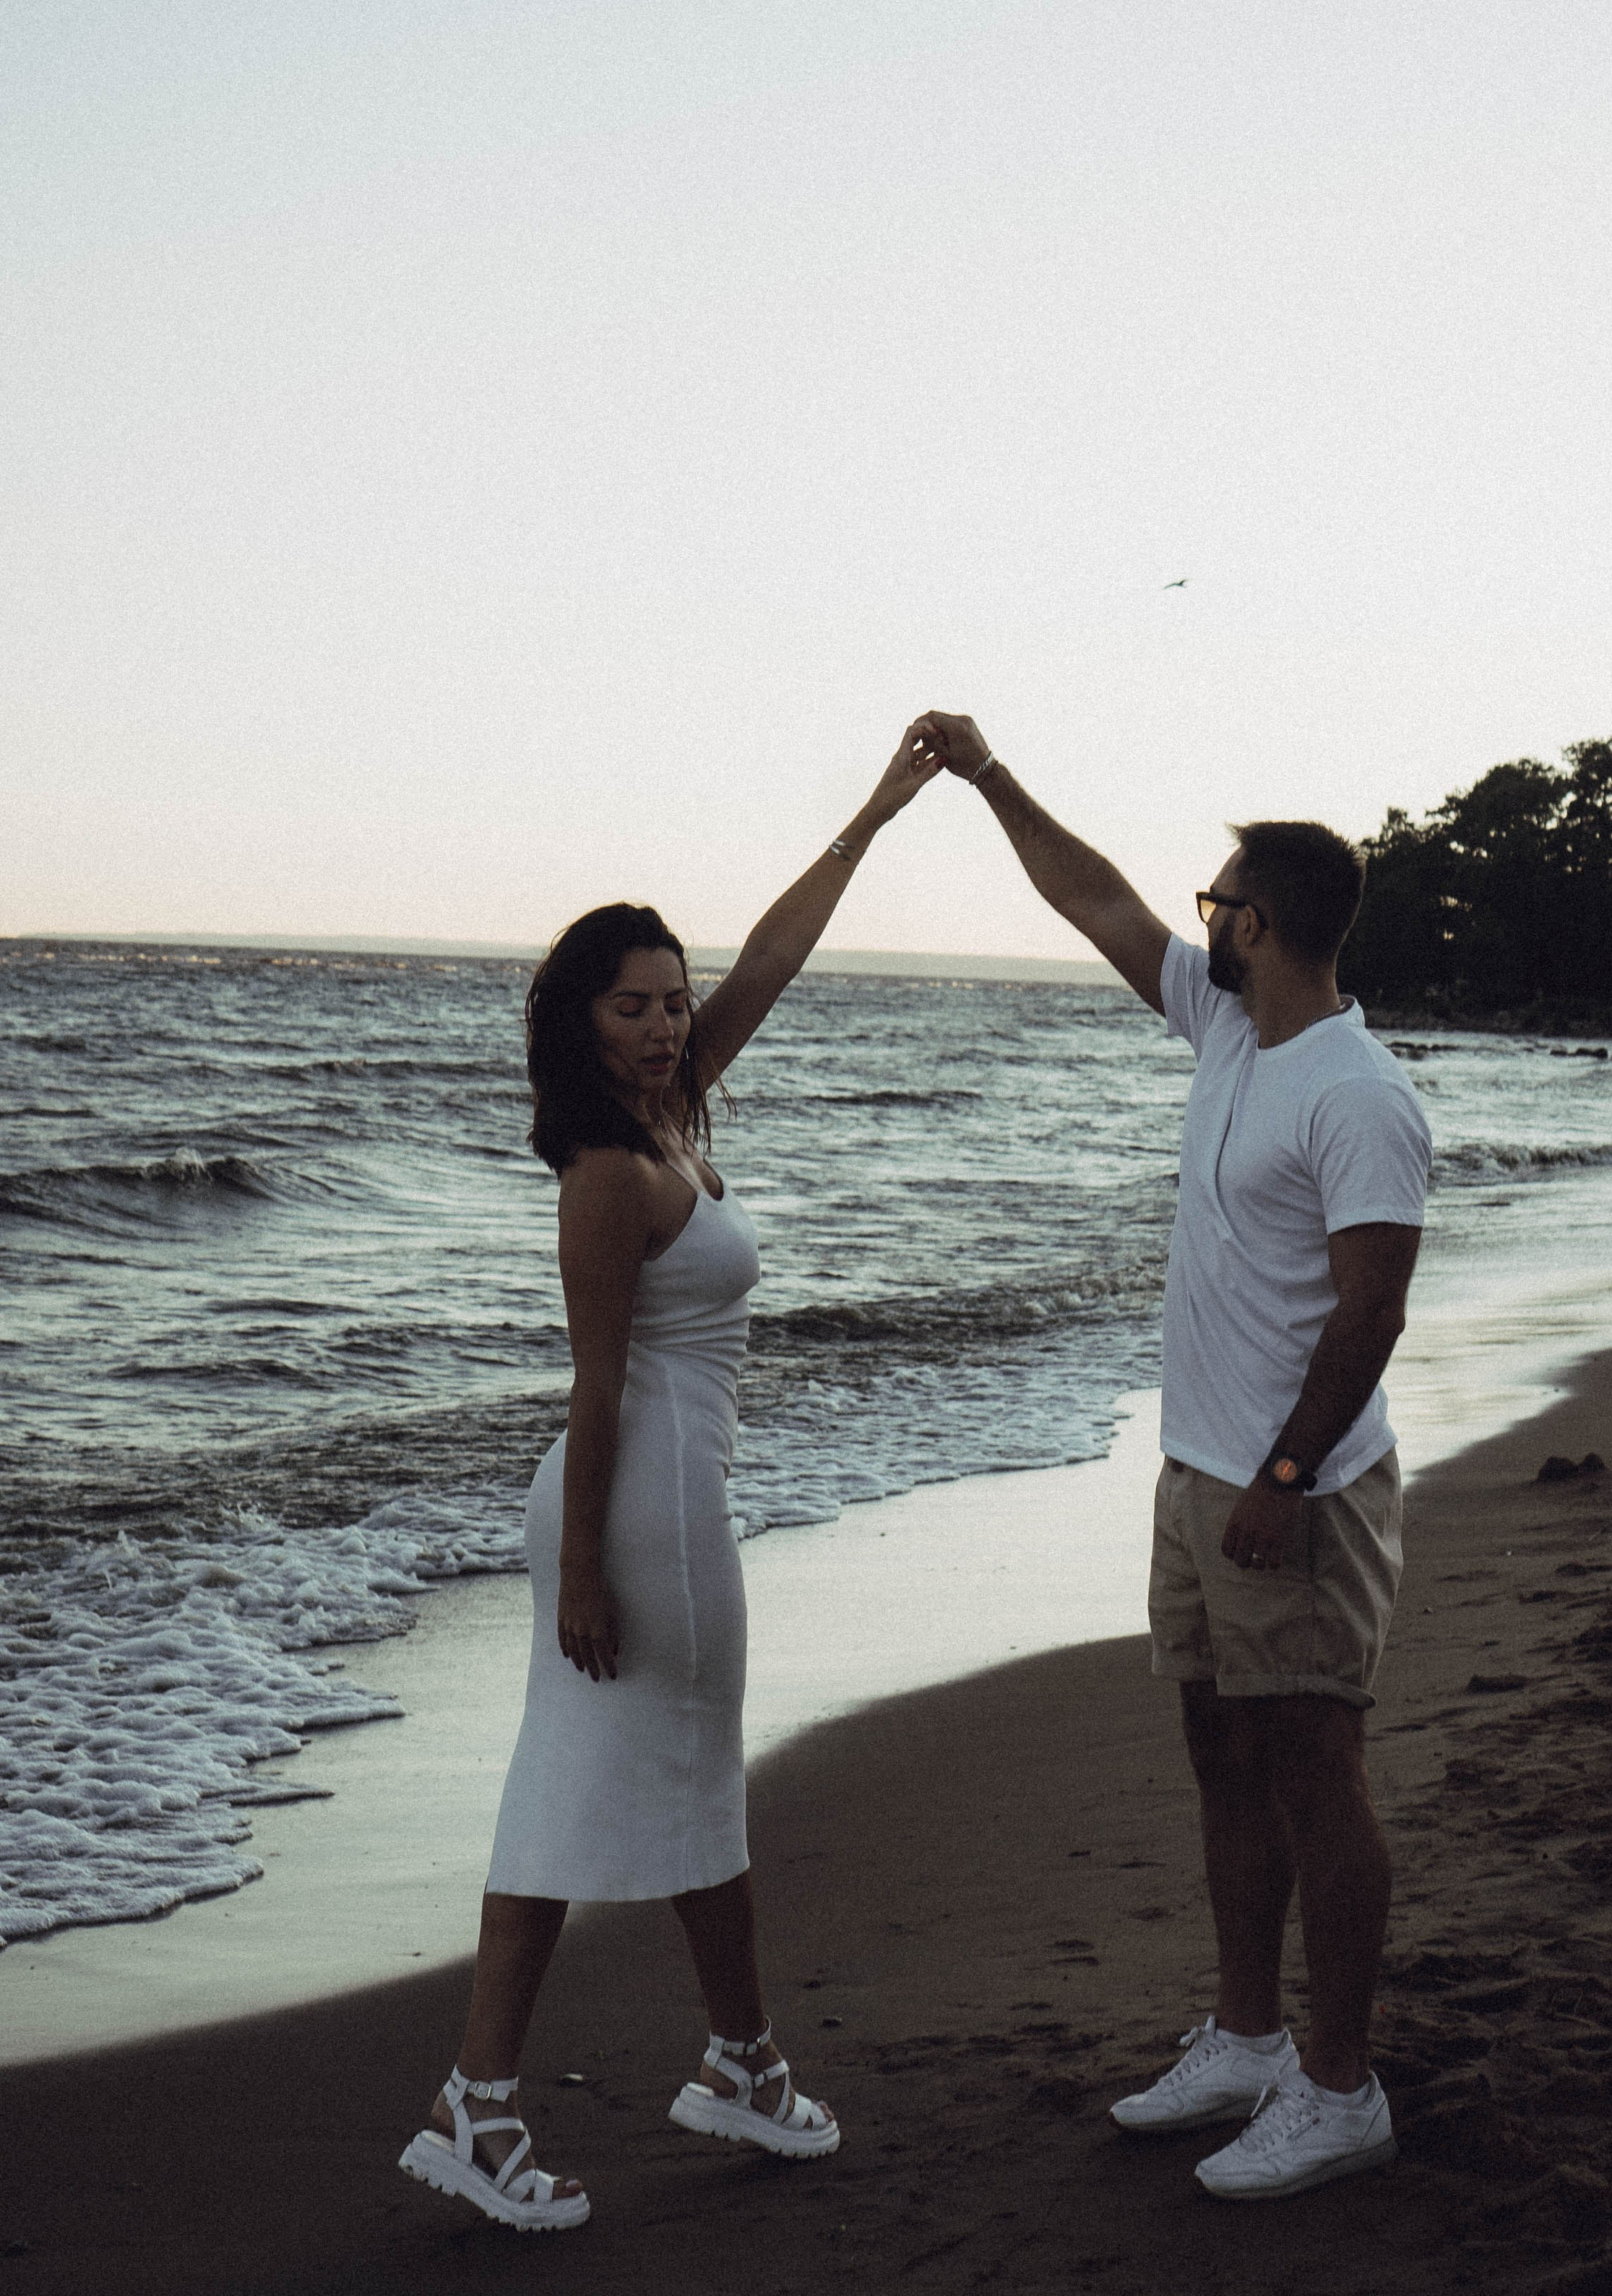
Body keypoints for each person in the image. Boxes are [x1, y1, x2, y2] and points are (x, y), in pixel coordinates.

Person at [400, 726, 941, 2232]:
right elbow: (594, 1382)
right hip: (633, 1505)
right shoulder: (605, 1171)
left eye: (670, 1000)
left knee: (675, 1783)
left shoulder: (672, 1117)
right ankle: (499, 2102)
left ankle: (729, 2063)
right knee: (596, 1790)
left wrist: (876, 810)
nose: (662, 1022)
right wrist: (581, 1569)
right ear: (579, 1022)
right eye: (631, 1005)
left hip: (667, 1497)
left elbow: (773, 955)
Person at [913, 713, 1431, 2203]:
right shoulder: (1225, 1030)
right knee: (1220, 1755)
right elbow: (1089, 898)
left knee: (1314, 1770)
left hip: (1299, 1491)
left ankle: (1340, 2089)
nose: (1193, 919)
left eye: (1213, 904)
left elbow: (1370, 1312)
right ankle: (1248, 2038)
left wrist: (1279, 1480)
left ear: (1257, 923)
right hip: (1197, 1473)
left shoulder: (1356, 1093)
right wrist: (989, 777)